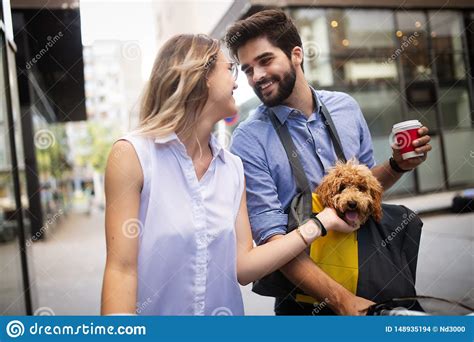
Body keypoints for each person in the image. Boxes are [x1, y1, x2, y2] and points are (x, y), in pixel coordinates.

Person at [101, 34, 358, 316]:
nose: (239, 81)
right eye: (230, 69)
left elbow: (244, 266)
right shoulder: (132, 156)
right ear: (201, 76)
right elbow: (121, 270)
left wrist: (320, 223)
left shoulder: (232, 168)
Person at [225, 9, 432, 315]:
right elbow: (273, 240)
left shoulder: (345, 107)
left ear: (296, 54)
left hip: (368, 276)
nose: (256, 77)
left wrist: (397, 164)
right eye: (247, 69)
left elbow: (366, 188)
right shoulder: (249, 139)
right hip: (305, 304)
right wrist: (341, 300)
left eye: (265, 61)